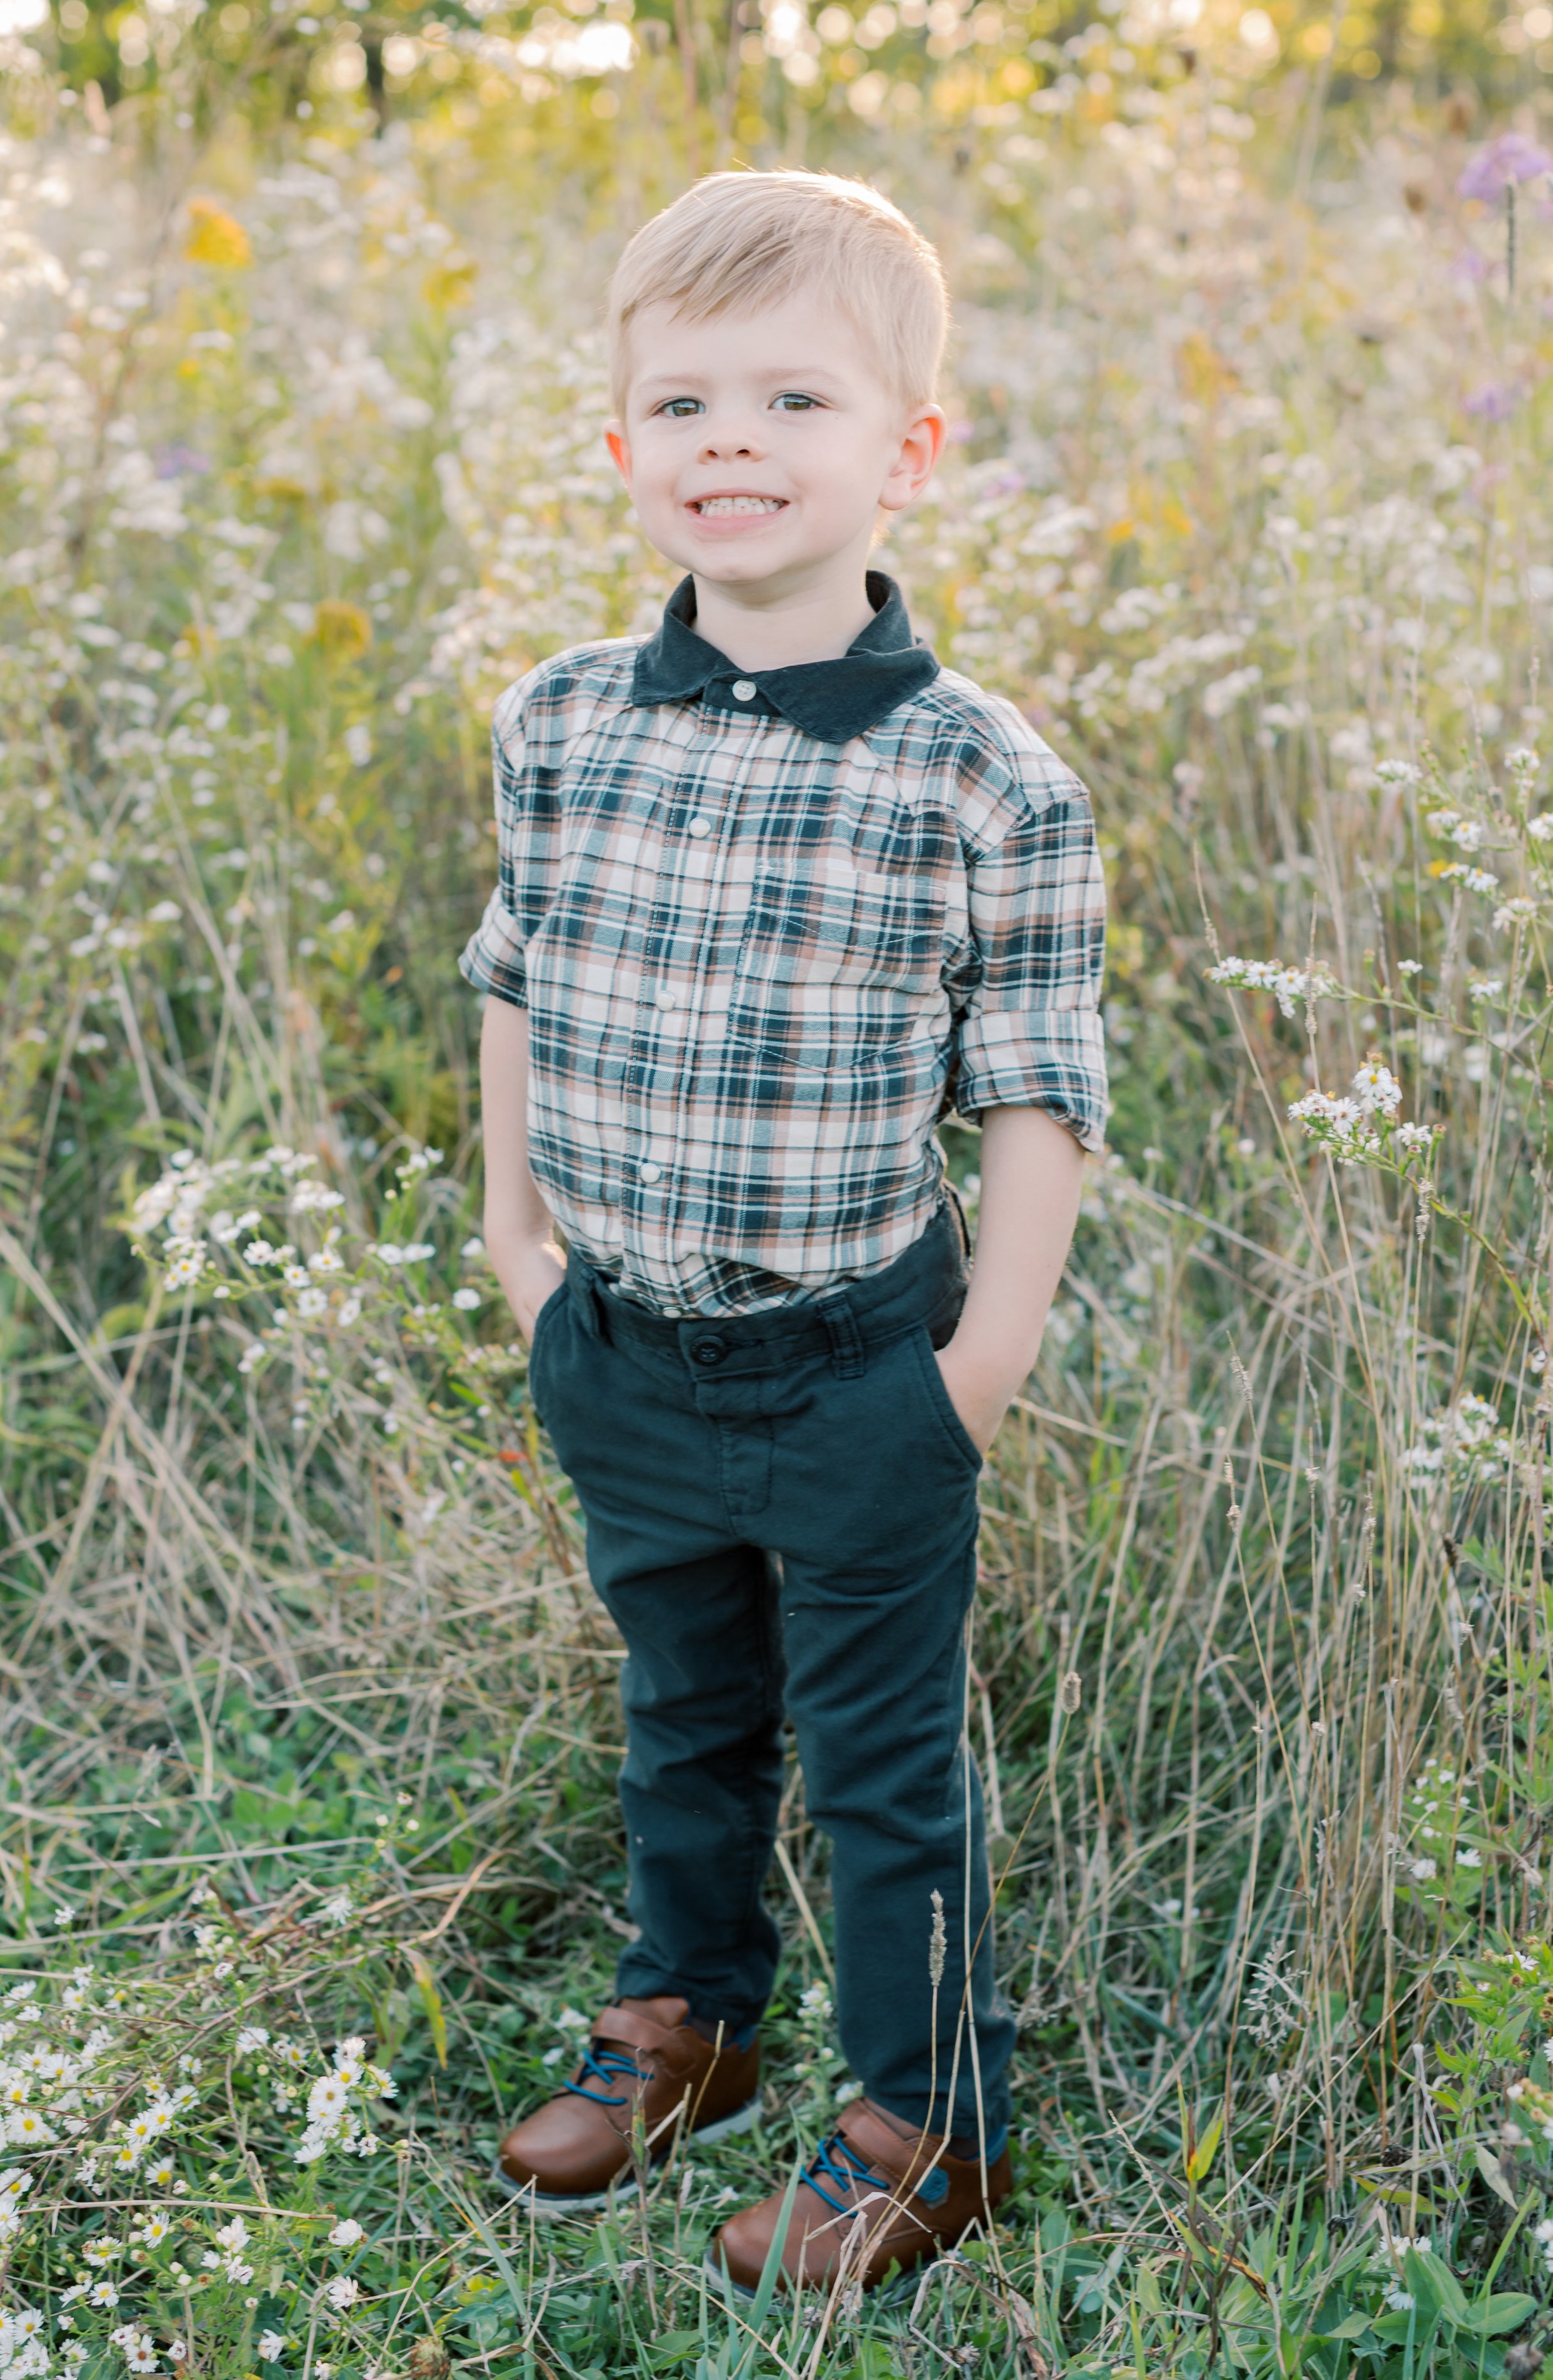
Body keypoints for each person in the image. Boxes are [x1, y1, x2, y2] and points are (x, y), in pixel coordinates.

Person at [463, 168, 1107, 2296]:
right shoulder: (563, 718)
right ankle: (691, 2017)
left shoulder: (980, 776)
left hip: (857, 1367)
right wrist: (519, 1247)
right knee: (683, 1705)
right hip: (620, 1343)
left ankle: (926, 2126)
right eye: (681, 404)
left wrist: (976, 1370)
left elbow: (1036, 1088)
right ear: (619, 443)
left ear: (904, 451)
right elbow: (515, 978)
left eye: (790, 400)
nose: (726, 443)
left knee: (883, 1765)